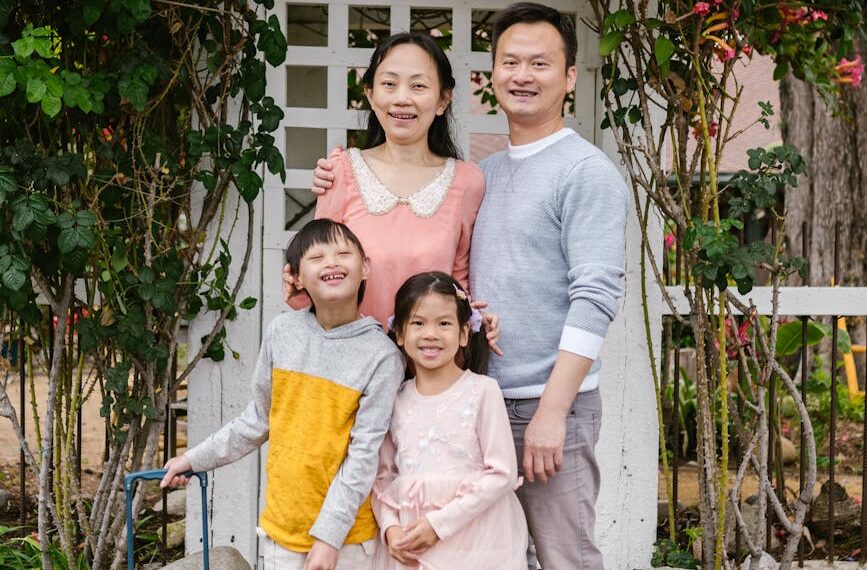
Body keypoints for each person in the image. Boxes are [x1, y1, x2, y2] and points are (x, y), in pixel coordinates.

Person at [312, 4, 629, 568]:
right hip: (467, 397)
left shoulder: (586, 171)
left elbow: (597, 295)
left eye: (540, 63)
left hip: (542, 403)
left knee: (564, 556)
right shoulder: (488, 172)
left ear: (570, 78)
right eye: (510, 61)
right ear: (492, 73)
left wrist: (553, 411)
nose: (523, 75)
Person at [161, 219, 405, 570]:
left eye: (343, 253)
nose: (332, 262)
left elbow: (363, 456)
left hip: (347, 541)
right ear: (296, 277)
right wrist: (193, 459)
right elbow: (257, 420)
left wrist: (329, 537)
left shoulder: (381, 355)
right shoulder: (282, 331)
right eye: (317, 256)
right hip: (281, 529)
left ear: (364, 267)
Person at [283, 32, 499, 352]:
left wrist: (479, 320)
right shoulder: (341, 171)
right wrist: (300, 279)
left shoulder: (467, 182)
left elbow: (459, 284)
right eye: (389, 84)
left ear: (443, 100)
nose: (402, 98)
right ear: (370, 94)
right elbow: (319, 267)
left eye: (418, 85)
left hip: (430, 371)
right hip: (353, 367)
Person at [372, 271, 527, 570]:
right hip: (413, 545)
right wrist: (389, 527)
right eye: (418, 323)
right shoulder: (395, 399)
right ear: (400, 334)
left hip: (477, 542)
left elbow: (502, 473)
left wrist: (439, 525)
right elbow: (383, 477)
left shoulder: (482, 391)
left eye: (444, 323)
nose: (431, 334)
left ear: (464, 333)